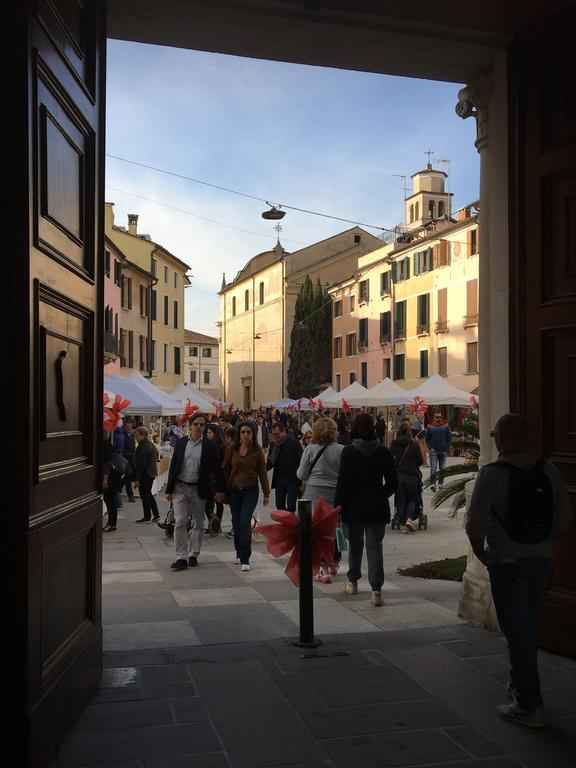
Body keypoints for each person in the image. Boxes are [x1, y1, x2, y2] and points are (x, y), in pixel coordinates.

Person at [466, 413, 572, 728]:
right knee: (528, 622)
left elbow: (475, 522)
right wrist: (544, 540)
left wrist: (479, 550)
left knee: (518, 632)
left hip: (506, 560)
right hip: (541, 559)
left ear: (500, 438)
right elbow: (564, 517)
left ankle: (528, 703)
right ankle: (522, 691)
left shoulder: (492, 474)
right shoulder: (548, 470)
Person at [334, 413, 397, 606]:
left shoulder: (349, 452)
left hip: (354, 506)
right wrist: (380, 494)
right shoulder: (384, 452)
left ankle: (352, 582)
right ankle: (376, 591)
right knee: (374, 547)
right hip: (377, 507)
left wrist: (339, 505)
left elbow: (343, 483)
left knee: (355, 546)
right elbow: (393, 482)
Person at [165, 413, 225, 570]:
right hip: (180, 487)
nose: (199, 427)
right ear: (190, 426)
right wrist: (169, 489)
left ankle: (193, 554)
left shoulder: (210, 446)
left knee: (198, 523)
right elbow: (174, 466)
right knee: (180, 521)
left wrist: (219, 489)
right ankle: (181, 556)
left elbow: (216, 469)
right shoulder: (181, 443)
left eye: (202, 425)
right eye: (196, 424)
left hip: (199, 488)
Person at [297, 417, 344, 583]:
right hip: (334, 495)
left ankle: (323, 569)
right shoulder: (341, 450)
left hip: (314, 495)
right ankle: (334, 562)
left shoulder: (310, 449)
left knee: (316, 533)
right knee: (331, 531)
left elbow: (301, 474)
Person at [223, 421, 270, 571]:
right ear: (239, 434)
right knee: (236, 522)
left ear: (253, 434)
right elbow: (225, 471)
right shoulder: (231, 450)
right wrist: (221, 491)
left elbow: (262, 472)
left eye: (248, 432)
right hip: (234, 490)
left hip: (250, 490)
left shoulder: (257, 451)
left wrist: (266, 492)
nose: (245, 434)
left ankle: (245, 557)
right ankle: (239, 550)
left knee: (244, 521)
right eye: (243, 432)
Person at [390, 422, 423, 533]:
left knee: (401, 500)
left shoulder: (394, 443)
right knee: (411, 500)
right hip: (412, 477)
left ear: (398, 431)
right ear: (409, 432)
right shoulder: (414, 444)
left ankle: (403, 525)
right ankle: (409, 519)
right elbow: (420, 461)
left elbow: (390, 458)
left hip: (398, 476)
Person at [267, 421, 303, 512]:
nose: (275, 436)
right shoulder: (274, 445)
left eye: (277, 434)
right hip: (279, 479)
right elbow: (270, 462)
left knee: (291, 505)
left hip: (292, 479)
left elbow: (301, 460)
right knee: (279, 505)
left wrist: (302, 479)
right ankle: (284, 524)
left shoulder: (294, 443)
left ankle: (290, 524)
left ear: (283, 431)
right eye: (273, 434)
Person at [133, 426, 160, 522]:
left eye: (137, 435)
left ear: (143, 435)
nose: (136, 437)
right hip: (150, 473)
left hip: (146, 474)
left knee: (145, 495)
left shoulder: (143, 446)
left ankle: (147, 516)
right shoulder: (149, 444)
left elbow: (141, 465)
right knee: (148, 494)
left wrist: (137, 479)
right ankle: (156, 515)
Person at [204, 424, 226, 534]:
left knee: (217, 502)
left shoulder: (221, 447)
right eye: (207, 433)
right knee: (212, 502)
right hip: (210, 476)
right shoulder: (209, 445)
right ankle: (215, 524)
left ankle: (216, 524)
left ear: (215, 434)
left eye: (210, 433)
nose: (208, 435)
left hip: (217, 477)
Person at [425, 412, 452, 491]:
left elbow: (449, 439)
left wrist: (446, 449)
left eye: (440, 417)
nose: (439, 419)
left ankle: (440, 484)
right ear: (434, 418)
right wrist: (430, 448)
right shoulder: (430, 427)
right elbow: (427, 440)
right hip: (434, 452)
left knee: (442, 469)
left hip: (443, 451)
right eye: (437, 417)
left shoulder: (446, 426)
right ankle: (433, 484)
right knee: (433, 469)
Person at [102, 434, 124, 532]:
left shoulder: (105, 446)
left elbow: (107, 463)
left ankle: (112, 524)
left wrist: (105, 479)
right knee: (110, 502)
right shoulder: (108, 445)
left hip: (110, 479)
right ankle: (111, 524)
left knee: (110, 502)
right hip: (112, 478)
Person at [120, 419, 137, 502]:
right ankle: (131, 496)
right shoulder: (122, 436)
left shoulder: (133, 435)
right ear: (124, 427)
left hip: (132, 460)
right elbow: (122, 450)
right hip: (125, 459)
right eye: (127, 427)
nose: (129, 428)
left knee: (128, 476)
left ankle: (118, 487)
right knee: (128, 476)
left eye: (130, 427)